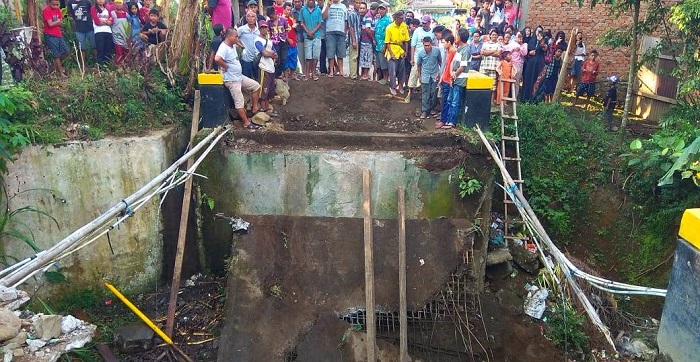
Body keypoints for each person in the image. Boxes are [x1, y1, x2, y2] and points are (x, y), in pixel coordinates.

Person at [215, 27, 263, 130]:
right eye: (236, 36)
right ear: (229, 36)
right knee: (239, 101)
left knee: (256, 86)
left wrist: (240, 44)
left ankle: (254, 109)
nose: (237, 38)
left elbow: (238, 43)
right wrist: (225, 66)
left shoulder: (232, 45)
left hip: (239, 77)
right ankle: (246, 122)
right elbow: (217, 58)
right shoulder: (223, 48)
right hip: (232, 80)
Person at [443, 28, 470, 129]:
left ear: (460, 37)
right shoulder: (459, 49)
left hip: (460, 80)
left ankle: (452, 122)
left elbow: (462, 67)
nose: (455, 37)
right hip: (454, 79)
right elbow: (453, 63)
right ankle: (449, 120)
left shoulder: (466, 50)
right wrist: (451, 74)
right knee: (450, 100)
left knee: (455, 101)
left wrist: (454, 75)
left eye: (457, 35)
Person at [384, 10, 409, 95]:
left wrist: (406, 51)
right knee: (392, 71)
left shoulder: (404, 26)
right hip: (392, 49)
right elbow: (387, 42)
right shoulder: (389, 27)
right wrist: (391, 54)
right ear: (397, 18)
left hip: (401, 50)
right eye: (401, 18)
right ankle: (392, 87)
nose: (402, 20)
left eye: (403, 18)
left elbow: (406, 40)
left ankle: (401, 86)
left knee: (402, 70)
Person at [255, 21, 278, 115]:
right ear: (259, 29)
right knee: (264, 89)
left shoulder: (269, 41)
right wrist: (272, 54)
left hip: (271, 67)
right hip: (263, 67)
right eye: (262, 28)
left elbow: (275, 54)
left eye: (265, 27)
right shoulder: (258, 40)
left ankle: (267, 108)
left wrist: (272, 55)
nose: (264, 29)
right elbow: (264, 53)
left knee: (270, 90)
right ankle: (263, 109)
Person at [415, 36, 441, 119]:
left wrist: (441, 73)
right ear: (423, 45)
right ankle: (424, 111)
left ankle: (432, 109)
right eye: (425, 45)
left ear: (431, 44)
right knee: (425, 94)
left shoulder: (437, 51)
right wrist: (419, 76)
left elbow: (440, 61)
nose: (427, 47)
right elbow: (418, 65)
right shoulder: (421, 53)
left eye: (428, 45)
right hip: (425, 75)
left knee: (434, 93)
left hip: (435, 75)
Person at [43, 0, 69, 76]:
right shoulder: (46, 10)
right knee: (56, 54)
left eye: (57, 5)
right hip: (50, 35)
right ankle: (61, 72)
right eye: (53, 5)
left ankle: (57, 66)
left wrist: (58, 22)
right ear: (49, 3)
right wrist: (57, 22)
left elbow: (60, 20)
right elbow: (50, 24)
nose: (56, 6)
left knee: (66, 51)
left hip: (58, 34)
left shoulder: (57, 9)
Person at [322, 0, 347, 77]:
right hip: (330, 32)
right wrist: (328, 7)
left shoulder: (343, 6)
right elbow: (323, 17)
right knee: (330, 53)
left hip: (341, 31)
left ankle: (341, 71)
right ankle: (331, 71)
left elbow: (345, 20)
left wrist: (345, 31)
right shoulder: (326, 5)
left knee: (341, 53)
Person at [67, 0, 96, 69]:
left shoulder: (87, 2)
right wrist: (73, 21)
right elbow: (69, 13)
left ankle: (97, 64)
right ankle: (83, 66)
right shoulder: (70, 2)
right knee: (82, 48)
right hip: (78, 29)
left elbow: (92, 12)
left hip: (89, 28)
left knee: (95, 46)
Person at [299, 0, 323, 80]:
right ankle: (307, 74)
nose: (311, 1)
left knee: (315, 56)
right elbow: (301, 22)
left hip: (316, 35)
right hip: (307, 36)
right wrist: (308, 32)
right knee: (308, 56)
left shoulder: (318, 10)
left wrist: (312, 32)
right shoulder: (303, 9)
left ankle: (313, 73)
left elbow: (320, 23)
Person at [436, 33, 456, 129]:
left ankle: (444, 120)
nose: (443, 44)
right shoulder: (448, 51)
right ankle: (443, 119)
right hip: (445, 79)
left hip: (448, 80)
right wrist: (441, 78)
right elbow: (446, 67)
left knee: (446, 102)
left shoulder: (453, 52)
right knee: (444, 101)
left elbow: (451, 67)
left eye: (444, 42)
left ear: (449, 42)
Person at [267, 6, 290, 79]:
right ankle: (277, 75)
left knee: (284, 59)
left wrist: (287, 38)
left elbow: (286, 30)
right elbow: (269, 33)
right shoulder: (269, 22)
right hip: (275, 43)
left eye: (271, 16)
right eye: (269, 17)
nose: (271, 18)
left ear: (275, 13)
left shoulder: (283, 20)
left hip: (283, 41)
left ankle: (280, 74)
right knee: (277, 60)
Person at [479, 29, 501, 102]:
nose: (494, 36)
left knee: (493, 86)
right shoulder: (485, 43)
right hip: (484, 67)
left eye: (495, 34)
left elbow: (498, 54)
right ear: (490, 35)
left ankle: (490, 102)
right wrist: (494, 51)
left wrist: (487, 52)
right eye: (493, 34)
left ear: (497, 36)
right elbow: (482, 53)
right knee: (482, 84)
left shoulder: (499, 44)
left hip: (493, 67)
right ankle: (482, 101)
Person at [238, 11, 261, 80]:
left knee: (257, 77)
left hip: (256, 58)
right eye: (249, 16)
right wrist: (241, 45)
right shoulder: (242, 29)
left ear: (256, 19)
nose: (251, 18)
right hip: (246, 58)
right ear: (246, 19)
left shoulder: (258, 31)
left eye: (253, 16)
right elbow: (234, 37)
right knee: (246, 78)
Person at [91, 0, 114, 64]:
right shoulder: (94, 9)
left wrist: (103, 21)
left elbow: (111, 21)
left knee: (108, 49)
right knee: (100, 49)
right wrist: (106, 21)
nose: (101, 0)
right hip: (99, 31)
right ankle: (100, 66)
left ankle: (108, 66)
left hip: (108, 31)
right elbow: (97, 22)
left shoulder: (107, 9)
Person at [374, 4, 391, 85]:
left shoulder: (388, 21)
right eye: (380, 9)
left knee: (384, 63)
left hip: (383, 45)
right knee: (379, 63)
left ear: (386, 10)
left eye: (383, 9)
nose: (381, 10)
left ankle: (385, 78)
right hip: (377, 45)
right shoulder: (378, 20)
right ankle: (380, 78)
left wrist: (385, 45)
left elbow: (389, 34)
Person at [346, 0, 363, 80]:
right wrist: (354, 40)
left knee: (356, 57)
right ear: (353, 3)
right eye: (357, 3)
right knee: (353, 57)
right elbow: (351, 27)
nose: (358, 4)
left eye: (359, 3)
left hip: (358, 38)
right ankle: (353, 75)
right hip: (354, 39)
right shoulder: (352, 13)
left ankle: (355, 73)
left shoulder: (358, 14)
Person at [359, 2, 375, 81]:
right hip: (367, 41)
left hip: (365, 40)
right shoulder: (369, 16)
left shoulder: (369, 16)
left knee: (365, 57)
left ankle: (364, 74)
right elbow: (368, 29)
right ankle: (365, 75)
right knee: (367, 57)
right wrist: (373, 39)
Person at [283, 3, 299, 81]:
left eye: (290, 10)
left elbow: (295, 30)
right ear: (284, 9)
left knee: (294, 59)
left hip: (293, 43)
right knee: (286, 59)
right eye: (287, 10)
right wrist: (287, 39)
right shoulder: (281, 19)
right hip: (285, 44)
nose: (289, 11)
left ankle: (292, 75)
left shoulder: (292, 19)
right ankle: (285, 76)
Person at [292, 0, 306, 74]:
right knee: (301, 56)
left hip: (307, 34)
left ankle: (309, 72)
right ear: (293, 2)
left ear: (302, 2)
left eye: (299, 1)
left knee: (309, 55)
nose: (297, 3)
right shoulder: (292, 12)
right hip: (298, 35)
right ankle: (303, 72)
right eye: (296, 2)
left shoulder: (305, 10)